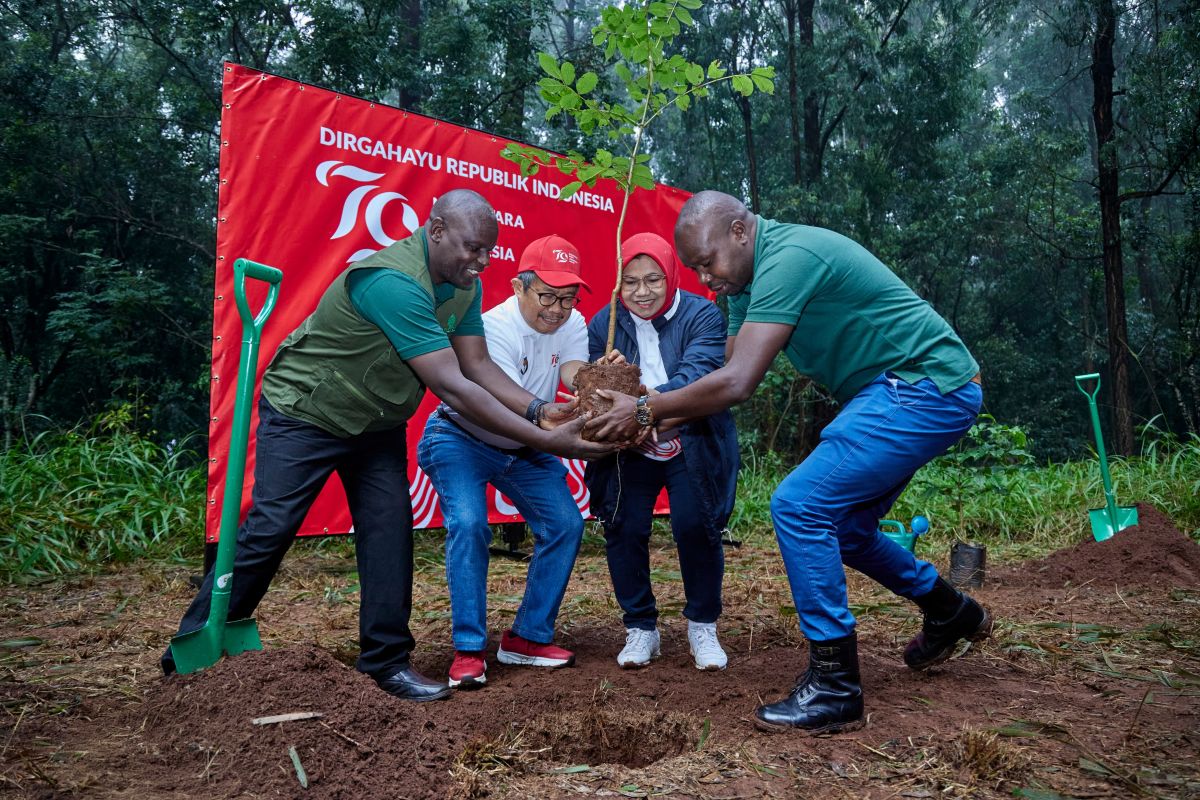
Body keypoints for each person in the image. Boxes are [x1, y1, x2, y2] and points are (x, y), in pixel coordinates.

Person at [162, 190, 611, 703]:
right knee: (272, 527)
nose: (483, 261)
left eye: (490, 250)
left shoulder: (463, 285)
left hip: (376, 422)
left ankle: (385, 662)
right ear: (435, 230)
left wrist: (537, 410)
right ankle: (193, 646)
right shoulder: (391, 283)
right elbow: (452, 387)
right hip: (308, 411)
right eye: (473, 248)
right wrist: (549, 439)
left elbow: (478, 366)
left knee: (388, 533)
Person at [586, 191, 990, 734]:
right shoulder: (743, 283)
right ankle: (950, 610)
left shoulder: (790, 257)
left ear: (740, 231)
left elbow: (738, 381)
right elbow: (724, 372)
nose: (705, 279)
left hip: (924, 386)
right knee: (845, 529)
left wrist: (641, 409)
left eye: (708, 263)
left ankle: (835, 685)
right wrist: (643, 409)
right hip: (890, 392)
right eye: (696, 269)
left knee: (799, 506)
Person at [417, 234, 592, 690]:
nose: (557, 309)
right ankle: (468, 649)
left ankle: (528, 637)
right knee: (471, 523)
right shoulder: (493, 327)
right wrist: (561, 435)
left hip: (524, 447)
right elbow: (514, 408)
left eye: (568, 299)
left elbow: (571, 371)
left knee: (566, 524)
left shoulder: (572, 322)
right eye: (547, 296)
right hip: (462, 437)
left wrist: (595, 382)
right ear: (519, 287)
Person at [585, 232, 739, 671]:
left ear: (670, 275)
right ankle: (640, 628)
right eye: (630, 282)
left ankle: (702, 626)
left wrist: (640, 404)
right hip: (629, 445)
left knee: (696, 525)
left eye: (652, 279)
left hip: (692, 437)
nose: (642, 292)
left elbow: (698, 376)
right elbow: (596, 387)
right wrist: (606, 383)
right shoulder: (606, 322)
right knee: (624, 527)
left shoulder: (703, 314)